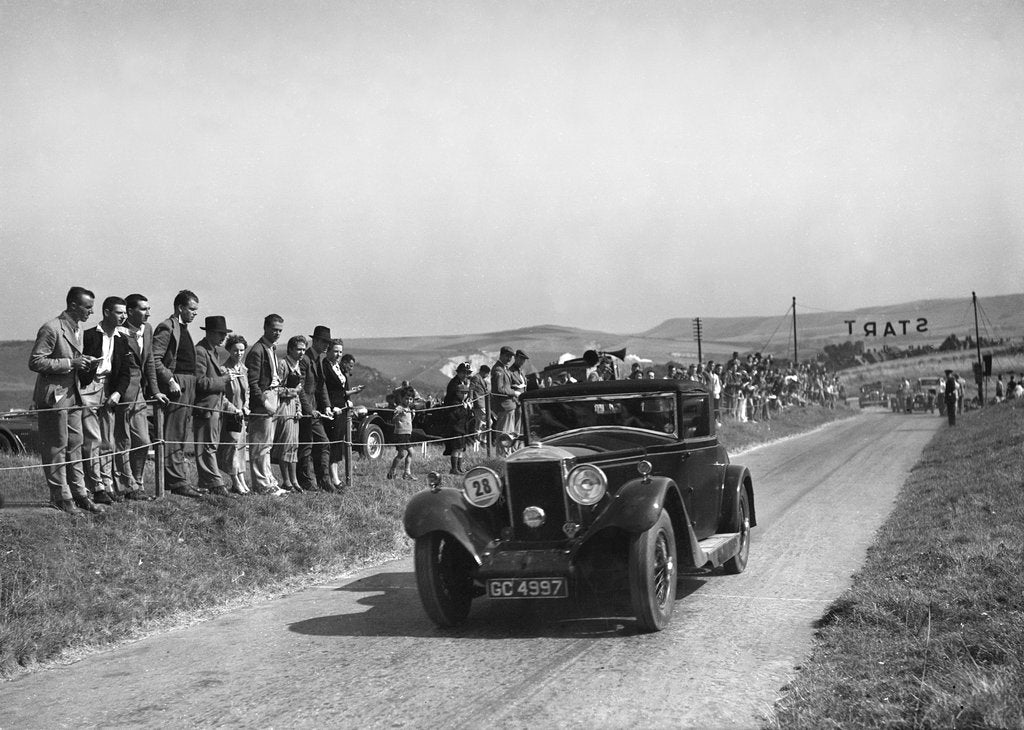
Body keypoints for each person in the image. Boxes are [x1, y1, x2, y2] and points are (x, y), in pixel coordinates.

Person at [28, 286, 104, 514]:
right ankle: (60, 497)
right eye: (87, 307)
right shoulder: (51, 328)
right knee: (57, 446)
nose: (91, 312)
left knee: (75, 445)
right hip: (55, 397)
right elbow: (36, 361)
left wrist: (84, 362)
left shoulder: (77, 328)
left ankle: (79, 494)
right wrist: (71, 363)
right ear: (73, 305)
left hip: (73, 396)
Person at [109, 294, 168, 500]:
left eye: (148, 309)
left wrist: (155, 390)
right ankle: (125, 486)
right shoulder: (118, 331)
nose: (148, 313)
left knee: (143, 440)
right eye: (143, 309)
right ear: (130, 311)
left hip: (140, 394)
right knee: (122, 442)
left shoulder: (148, 329)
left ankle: (137, 483)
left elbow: (149, 361)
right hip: (122, 393)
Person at [79, 296, 128, 505]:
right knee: (93, 439)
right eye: (119, 312)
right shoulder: (89, 335)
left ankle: (108, 485)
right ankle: (96, 486)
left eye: (125, 313)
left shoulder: (122, 339)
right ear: (107, 312)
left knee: (108, 440)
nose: (123, 316)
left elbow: (125, 372)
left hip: (109, 390)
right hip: (89, 388)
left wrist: (117, 392)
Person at [153, 290, 202, 497]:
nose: (194, 313)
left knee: (182, 433)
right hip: (177, 384)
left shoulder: (184, 329)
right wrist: (170, 380)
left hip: (189, 383)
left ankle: (179, 479)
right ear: (180, 308)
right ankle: (175, 481)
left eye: (196, 310)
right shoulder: (167, 327)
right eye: (191, 309)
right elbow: (154, 359)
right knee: (173, 433)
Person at [193, 316, 234, 497]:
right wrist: (223, 380)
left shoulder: (213, 351)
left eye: (224, 333)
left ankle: (210, 482)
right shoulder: (201, 351)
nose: (223, 337)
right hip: (206, 406)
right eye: (220, 333)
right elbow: (199, 382)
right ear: (209, 332)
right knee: (207, 446)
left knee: (211, 445)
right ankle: (215, 483)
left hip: (214, 405)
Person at [245, 314, 285, 494]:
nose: (277, 333)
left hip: (274, 395)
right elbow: (252, 382)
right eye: (274, 329)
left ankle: (269, 481)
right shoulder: (257, 350)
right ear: (266, 328)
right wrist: (264, 402)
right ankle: (261, 485)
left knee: (268, 444)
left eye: (280, 331)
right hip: (264, 399)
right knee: (260, 444)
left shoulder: (271, 349)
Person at [297, 325, 334, 492]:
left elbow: (322, 385)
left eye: (328, 342)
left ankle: (323, 481)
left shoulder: (318, 359)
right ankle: (306, 481)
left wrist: (327, 406)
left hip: (314, 411)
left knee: (321, 443)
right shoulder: (305, 359)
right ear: (316, 341)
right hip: (306, 411)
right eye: (324, 342)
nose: (327, 346)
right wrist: (308, 409)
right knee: (307, 446)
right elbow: (300, 389)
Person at [218, 334, 252, 495]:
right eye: (235, 350)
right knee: (232, 447)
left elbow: (247, 391)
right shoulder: (223, 370)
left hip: (242, 415)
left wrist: (245, 406)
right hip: (230, 415)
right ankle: (235, 481)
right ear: (229, 350)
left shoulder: (244, 369)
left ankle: (242, 479)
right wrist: (233, 409)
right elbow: (221, 396)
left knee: (241, 447)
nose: (239, 353)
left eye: (242, 350)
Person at [272, 335, 306, 491]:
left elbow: (298, 392)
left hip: (293, 408)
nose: (301, 352)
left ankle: (294, 481)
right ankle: (286, 481)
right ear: (290, 349)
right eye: (299, 349)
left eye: (304, 349)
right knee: (285, 444)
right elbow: (276, 389)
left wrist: (299, 409)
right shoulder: (283, 364)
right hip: (283, 407)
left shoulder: (297, 365)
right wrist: (293, 392)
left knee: (293, 445)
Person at [322, 338, 351, 489]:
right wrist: (331, 406)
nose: (338, 354)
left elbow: (342, 389)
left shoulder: (338, 367)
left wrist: (348, 399)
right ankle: (333, 478)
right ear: (328, 351)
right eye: (335, 351)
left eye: (340, 351)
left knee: (339, 442)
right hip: (332, 409)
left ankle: (335, 477)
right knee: (333, 442)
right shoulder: (325, 366)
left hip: (342, 409)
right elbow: (325, 389)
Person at [442, 362, 474, 474]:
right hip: (455, 417)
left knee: (461, 446)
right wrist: (463, 405)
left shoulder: (463, 382)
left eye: (468, 373)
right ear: (458, 372)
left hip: (462, 419)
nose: (466, 375)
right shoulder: (454, 384)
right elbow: (451, 402)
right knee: (456, 445)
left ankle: (459, 467)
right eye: (464, 372)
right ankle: (454, 468)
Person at [490, 346, 517, 454]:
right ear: (501, 355)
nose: (509, 359)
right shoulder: (498, 370)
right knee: (504, 435)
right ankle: (502, 458)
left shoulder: (504, 369)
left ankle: (507, 456)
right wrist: (514, 392)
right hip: (504, 406)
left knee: (509, 435)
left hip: (509, 406)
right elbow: (499, 389)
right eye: (507, 356)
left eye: (511, 356)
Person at [387, 387, 417, 480]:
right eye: (406, 398)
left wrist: (413, 415)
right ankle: (391, 472)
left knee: (411, 452)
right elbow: (394, 419)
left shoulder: (409, 408)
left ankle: (407, 473)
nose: (408, 401)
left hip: (407, 434)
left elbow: (408, 421)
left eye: (410, 399)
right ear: (402, 398)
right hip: (400, 434)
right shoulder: (399, 408)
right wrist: (399, 413)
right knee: (401, 454)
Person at [469, 364, 491, 445]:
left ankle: (478, 441)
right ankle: (482, 440)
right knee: (488, 421)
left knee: (479, 423)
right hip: (479, 403)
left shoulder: (481, 379)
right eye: (487, 374)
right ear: (484, 372)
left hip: (482, 403)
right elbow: (471, 388)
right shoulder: (476, 378)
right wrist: (471, 399)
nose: (487, 376)